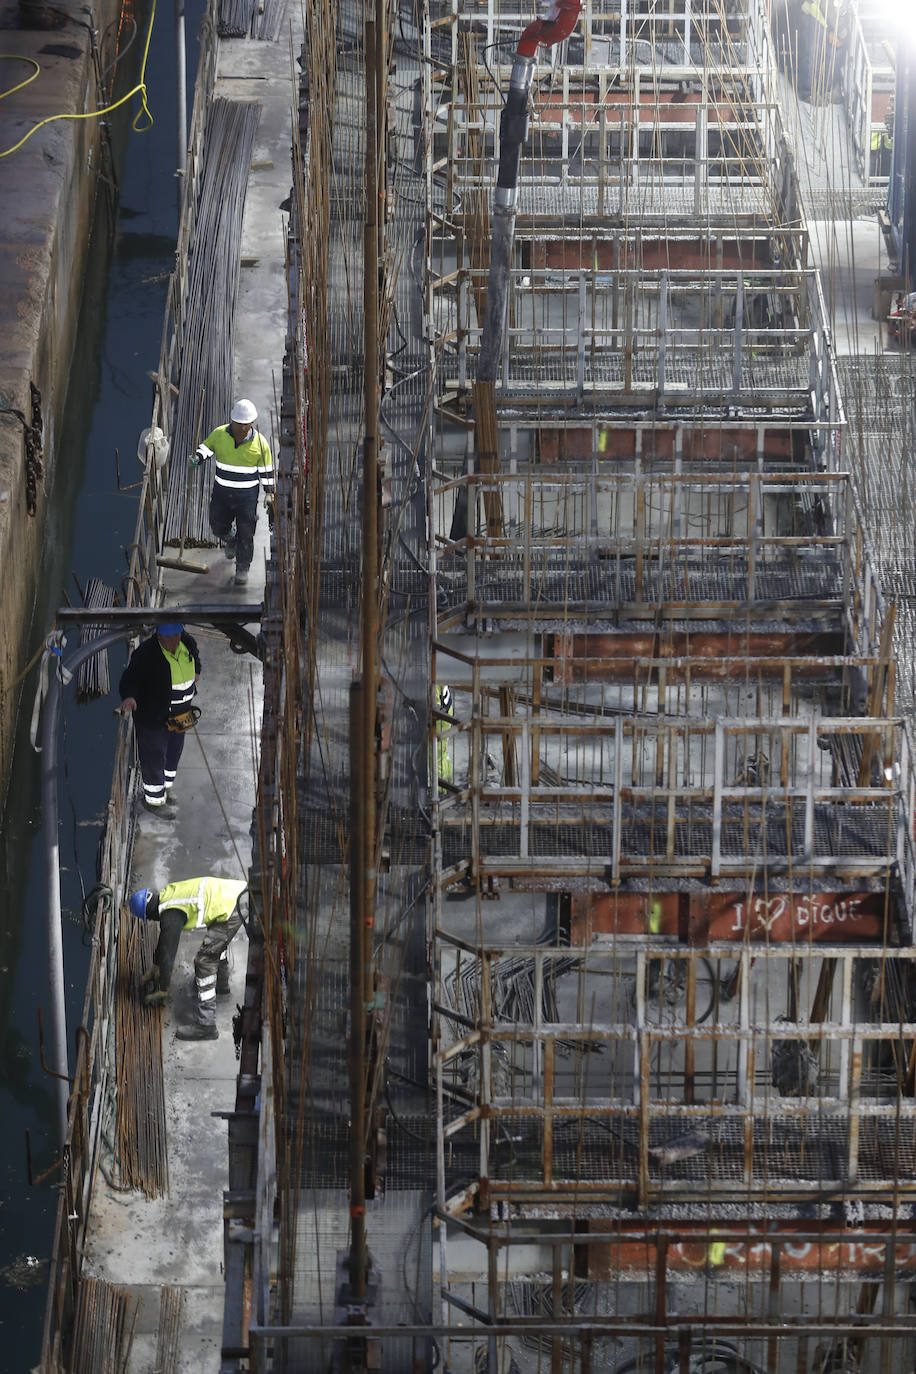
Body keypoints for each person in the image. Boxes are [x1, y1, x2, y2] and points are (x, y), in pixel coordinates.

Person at [128, 877, 248, 1040]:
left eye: (148, 918)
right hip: (234, 895)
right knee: (216, 946)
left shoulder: (170, 915)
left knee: (204, 962)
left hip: (231, 906)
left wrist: (162, 990)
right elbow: (164, 940)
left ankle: (206, 1026)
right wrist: (155, 967)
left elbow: (168, 955)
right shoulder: (167, 895)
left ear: (148, 915)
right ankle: (221, 985)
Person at [119, 622, 201, 815]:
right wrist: (129, 697)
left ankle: (165, 788)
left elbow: (194, 654)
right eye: (169, 638)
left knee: (174, 753)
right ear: (159, 636)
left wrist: (197, 669)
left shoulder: (186, 643)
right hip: (153, 719)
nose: (174, 641)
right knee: (154, 758)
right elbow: (130, 679)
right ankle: (154, 802)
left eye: (177, 636)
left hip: (180, 716)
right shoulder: (146, 654)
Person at [191, 397, 274, 586]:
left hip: (246, 497)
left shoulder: (260, 444)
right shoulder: (220, 434)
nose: (243, 428)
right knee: (217, 524)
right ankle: (230, 539)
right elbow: (207, 447)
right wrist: (198, 457)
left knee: (247, 533)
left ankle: (243, 567)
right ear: (232, 421)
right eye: (240, 423)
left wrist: (269, 493)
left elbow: (267, 471)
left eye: (247, 424)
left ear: (251, 422)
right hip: (222, 493)